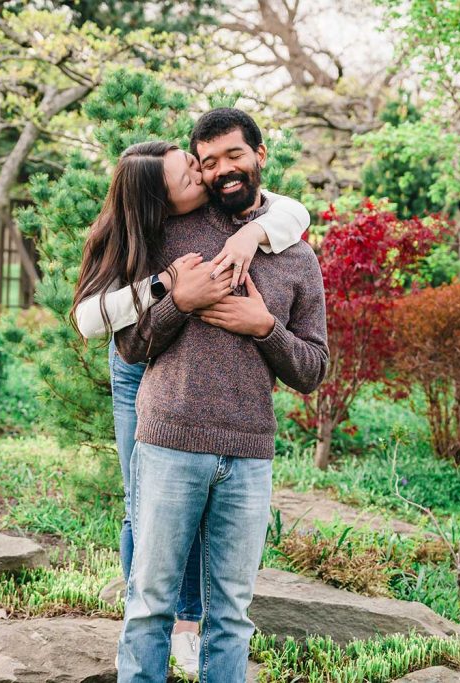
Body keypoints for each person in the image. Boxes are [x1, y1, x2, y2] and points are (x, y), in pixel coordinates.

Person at [71, 140, 309, 677]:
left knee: (202, 501)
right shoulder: (137, 234)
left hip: (198, 366)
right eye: (190, 178)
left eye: (196, 168)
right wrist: (169, 286)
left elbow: (294, 211)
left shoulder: (216, 210)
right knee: (144, 500)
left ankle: (187, 623)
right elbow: (91, 321)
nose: (204, 178)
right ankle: (154, 624)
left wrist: (251, 232)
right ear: (159, 203)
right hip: (137, 359)